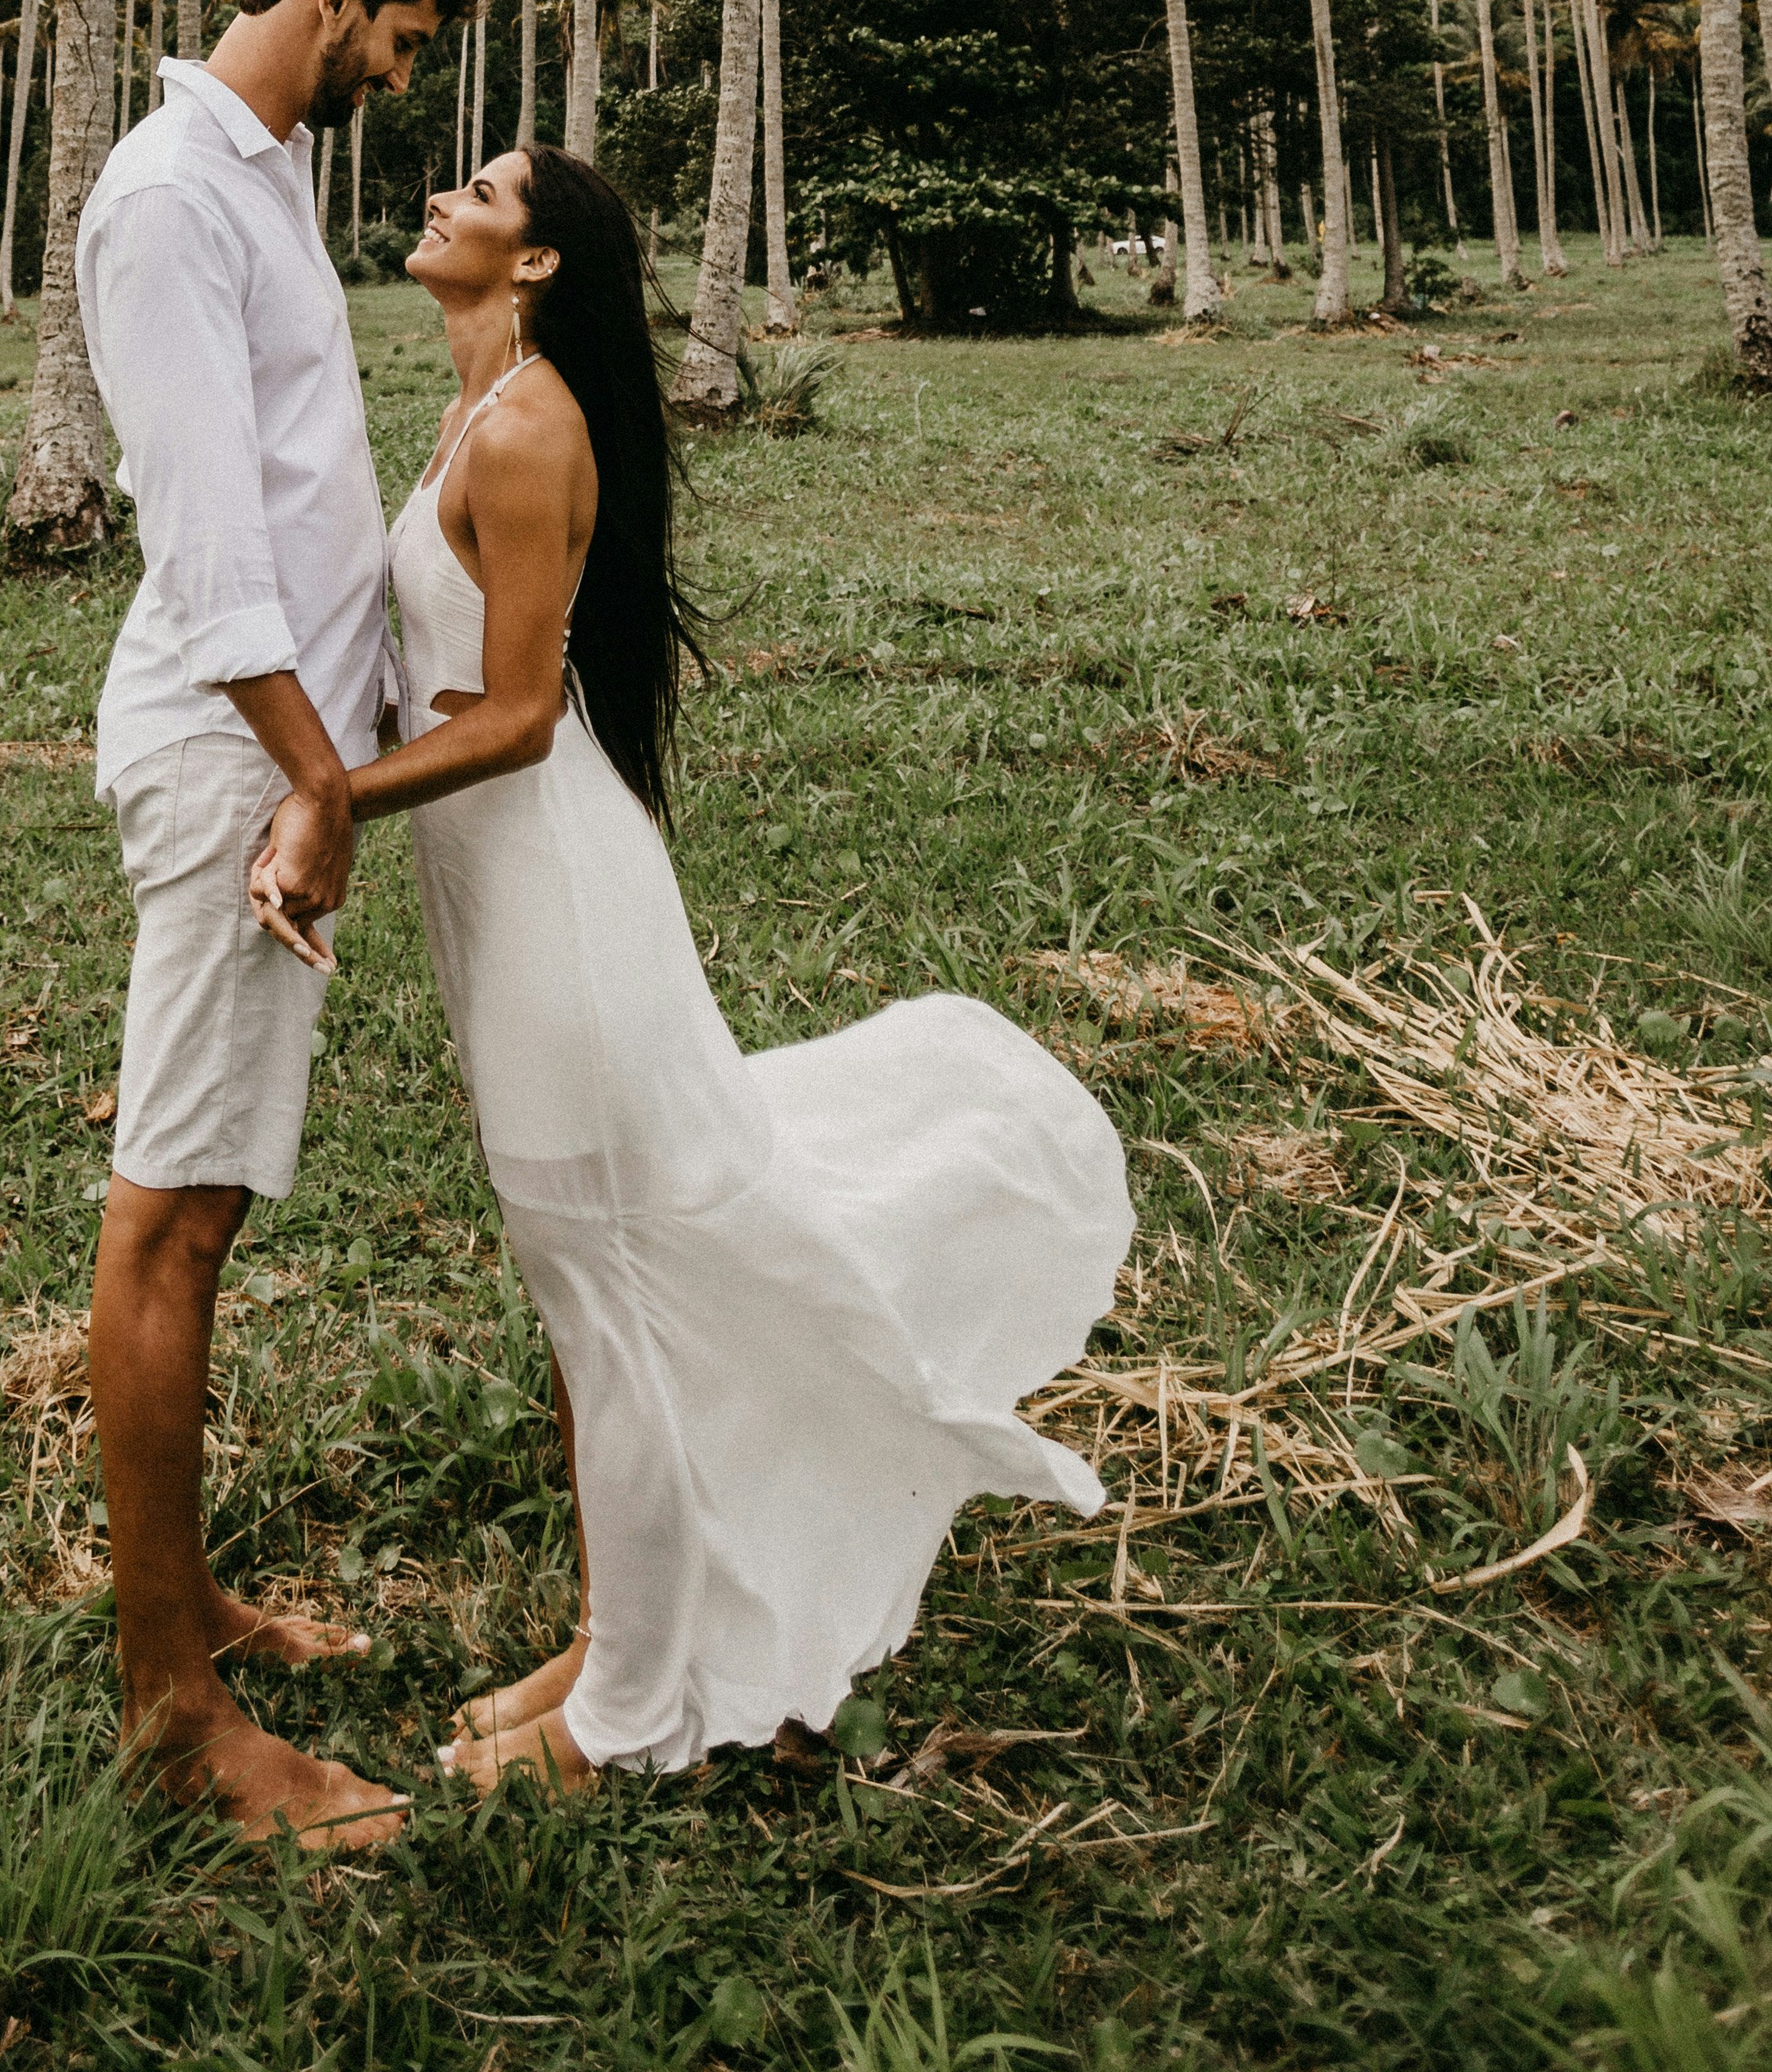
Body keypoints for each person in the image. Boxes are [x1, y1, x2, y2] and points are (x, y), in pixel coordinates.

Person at [274, 144, 1130, 1789]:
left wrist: (329, 800)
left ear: (532, 266)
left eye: (484, 192)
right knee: (592, 1301)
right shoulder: (482, 404)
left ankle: (627, 1717)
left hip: (560, 912)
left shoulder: (527, 429)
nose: (444, 194)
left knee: (617, 1314)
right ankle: (617, 1641)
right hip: (510, 903)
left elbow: (518, 723)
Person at [76, 0, 479, 1849]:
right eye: (401, 42)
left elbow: (305, 490)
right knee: (173, 1215)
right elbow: (209, 547)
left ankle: (190, 1604)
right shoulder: (166, 201)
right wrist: (317, 785)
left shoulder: (261, 175)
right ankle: (172, 1702)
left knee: (206, 1206)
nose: (402, 83)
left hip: (290, 744)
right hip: (239, 760)